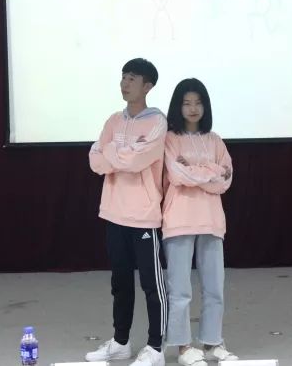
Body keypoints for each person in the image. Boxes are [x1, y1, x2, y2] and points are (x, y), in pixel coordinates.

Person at [86, 58, 168, 366]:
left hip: (144, 215)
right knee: (120, 283)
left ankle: (156, 347)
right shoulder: (113, 121)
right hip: (113, 213)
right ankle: (121, 342)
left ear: (147, 86)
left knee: (151, 284)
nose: (124, 83)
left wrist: (110, 151)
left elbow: (135, 161)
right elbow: (95, 161)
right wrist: (120, 153)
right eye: (123, 77)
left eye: (132, 78)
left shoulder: (157, 122)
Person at [162, 78, 238, 366]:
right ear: (178, 106)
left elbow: (225, 180)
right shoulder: (170, 139)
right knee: (180, 290)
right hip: (179, 219)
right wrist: (211, 171)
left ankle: (212, 342)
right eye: (186, 103)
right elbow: (177, 174)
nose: (193, 108)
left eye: (198, 102)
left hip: (211, 220)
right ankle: (183, 347)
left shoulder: (215, 140)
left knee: (214, 288)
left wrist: (195, 171)